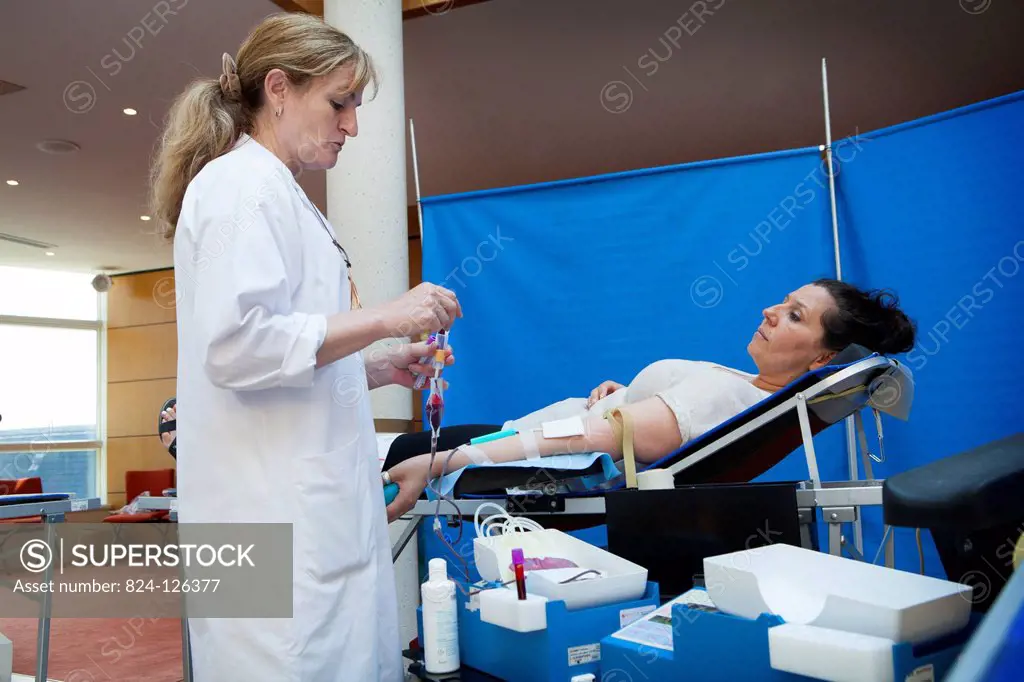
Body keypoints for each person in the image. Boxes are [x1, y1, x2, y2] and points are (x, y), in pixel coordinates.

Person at [149, 13, 460, 682]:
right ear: (281, 88)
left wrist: (378, 366)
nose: (352, 125)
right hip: (271, 534)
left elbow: (284, 355)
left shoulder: (283, 197)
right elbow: (238, 347)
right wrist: (385, 317)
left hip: (304, 527)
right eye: (340, 102)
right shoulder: (242, 187)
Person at [383, 279, 916, 520]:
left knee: (361, 461)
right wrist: (631, 396)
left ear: (822, 361)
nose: (772, 311)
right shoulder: (744, 390)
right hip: (517, 430)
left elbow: (594, 439)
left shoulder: (725, 396)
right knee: (336, 466)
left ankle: (293, 609)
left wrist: (445, 460)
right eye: (785, 301)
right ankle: (292, 598)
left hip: (509, 446)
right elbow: (631, 425)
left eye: (796, 316)